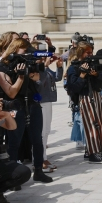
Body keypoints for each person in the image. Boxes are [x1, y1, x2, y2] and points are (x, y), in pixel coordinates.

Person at [0, 39, 52, 183]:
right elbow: (11, 93)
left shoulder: (29, 64)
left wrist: (34, 75)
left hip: (32, 104)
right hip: (15, 106)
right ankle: (13, 176)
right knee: (14, 142)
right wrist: (20, 77)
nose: (27, 54)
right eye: (24, 51)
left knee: (37, 140)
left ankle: (38, 171)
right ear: (15, 49)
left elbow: (38, 81)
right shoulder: (2, 68)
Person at [67, 42, 102, 163]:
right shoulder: (73, 67)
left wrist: (95, 74)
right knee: (91, 125)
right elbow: (74, 88)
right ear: (81, 53)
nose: (90, 55)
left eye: (91, 52)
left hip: (96, 96)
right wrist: (82, 75)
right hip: (84, 98)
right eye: (88, 52)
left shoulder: (94, 63)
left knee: (100, 123)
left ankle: (94, 149)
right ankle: (93, 154)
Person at [34, 42, 63, 172]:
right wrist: (44, 65)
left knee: (46, 131)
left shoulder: (43, 66)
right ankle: (39, 160)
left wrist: (59, 66)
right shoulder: (34, 66)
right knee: (40, 133)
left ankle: (43, 157)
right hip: (39, 102)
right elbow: (39, 83)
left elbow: (56, 78)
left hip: (48, 101)